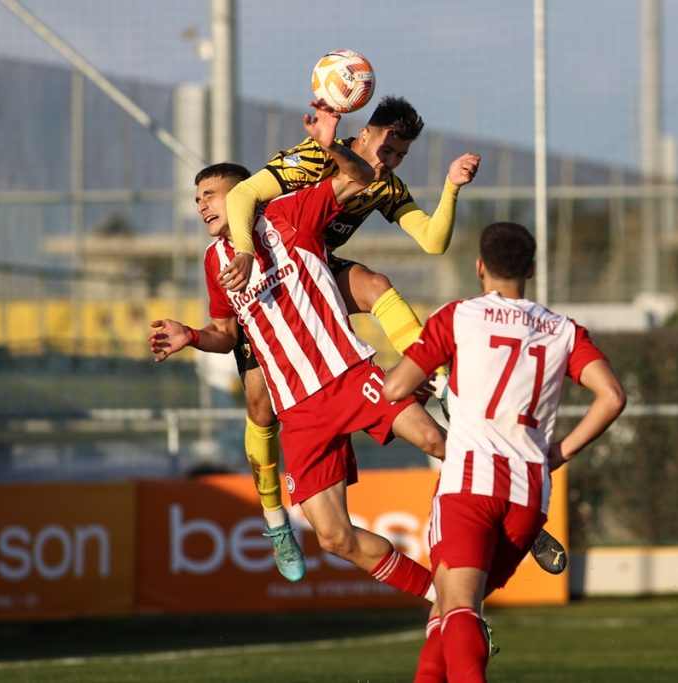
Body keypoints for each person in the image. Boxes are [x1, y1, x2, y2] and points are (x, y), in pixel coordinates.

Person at [148, 102, 445, 600]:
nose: (202, 207)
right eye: (197, 199)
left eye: (211, 196)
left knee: (438, 443)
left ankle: (510, 504)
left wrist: (330, 143)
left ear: (243, 195)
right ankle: (441, 597)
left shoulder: (289, 215)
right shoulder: (213, 260)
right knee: (333, 537)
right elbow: (225, 333)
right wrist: (192, 336)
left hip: (347, 375)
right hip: (300, 413)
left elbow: (356, 179)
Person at [217, 95, 481, 581]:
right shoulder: (315, 155)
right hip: (263, 273)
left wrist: (451, 187)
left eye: (401, 155)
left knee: (378, 286)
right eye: (388, 148)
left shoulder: (382, 182)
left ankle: (443, 384)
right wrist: (244, 252)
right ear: (367, 133)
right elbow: (240, 197)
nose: (392, 160)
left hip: (309, 272)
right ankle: (276, 521)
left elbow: (433, 240)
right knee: (259, 407)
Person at [382, 222, 627, 683]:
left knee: (455, 606)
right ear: (531, 269)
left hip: (469, 485)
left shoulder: (459, 316)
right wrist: (561, 451)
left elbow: (396, 386)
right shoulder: (563, 330)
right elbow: (612, 396)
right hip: (529, 493)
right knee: (454, 609)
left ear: (479, 267)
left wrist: (434, 382)